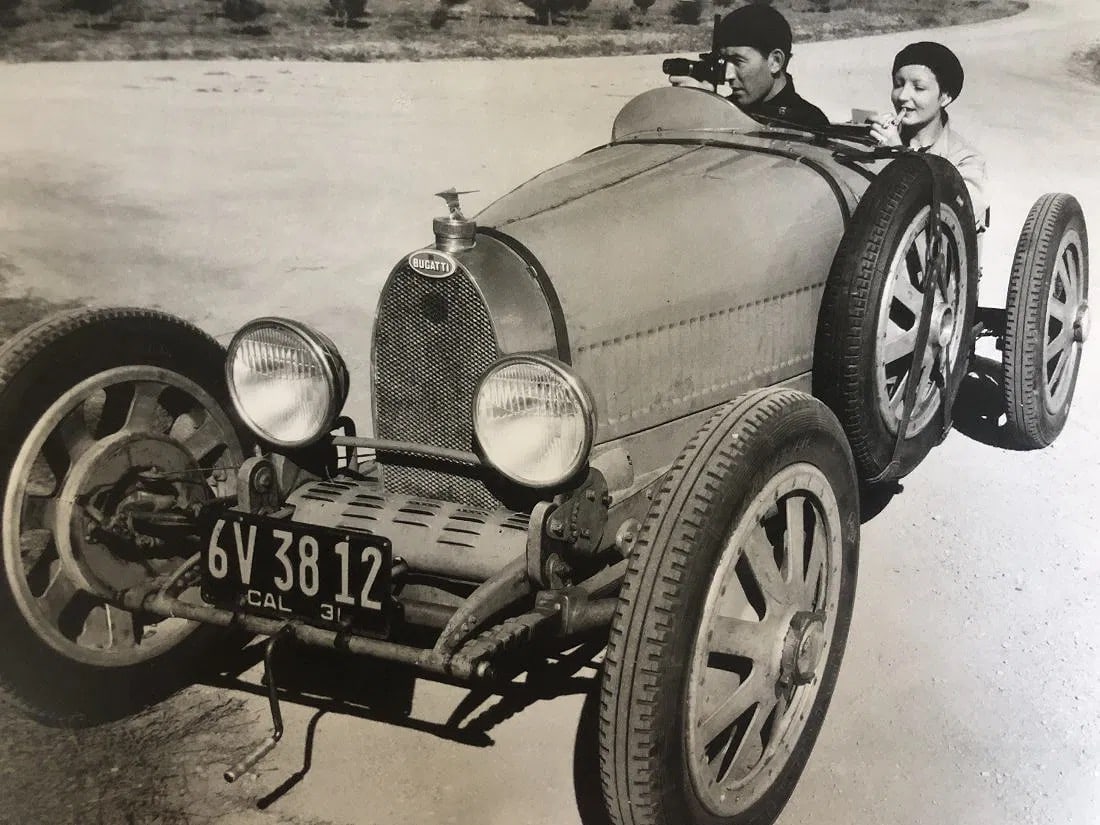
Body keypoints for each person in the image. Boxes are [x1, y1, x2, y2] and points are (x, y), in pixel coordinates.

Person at [868, 41, 988, 227]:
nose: (902, 96)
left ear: (945, 97)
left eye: (919, 88)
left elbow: (957, 217)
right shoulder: (881, 135)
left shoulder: (965, 159)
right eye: (898, 84)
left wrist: (898, 156)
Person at [669, 5, 830, 131]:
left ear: (775, 61)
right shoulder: (725, 109)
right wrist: (704, 106)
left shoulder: (809, 123)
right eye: (724, 61)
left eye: (738, 61)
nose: (728, 75)